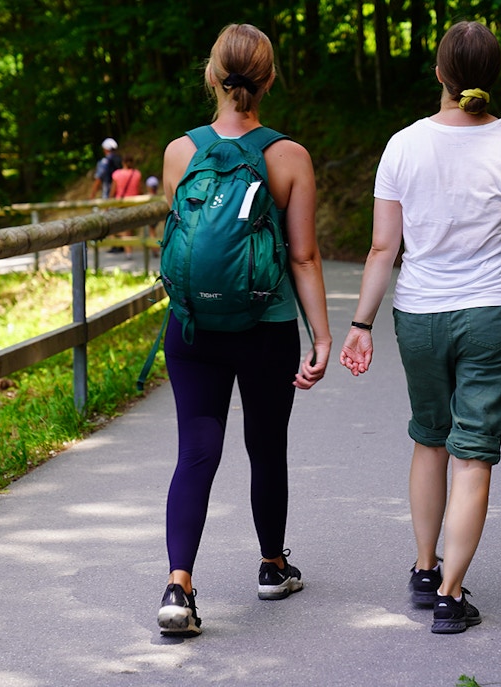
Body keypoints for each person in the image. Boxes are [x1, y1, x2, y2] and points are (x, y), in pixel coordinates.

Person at [338, 20, 501, 635]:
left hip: (421, 315)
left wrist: (362, 323)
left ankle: (425, 567)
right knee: (474, 453)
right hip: (494, 313)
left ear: (439, 73)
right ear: (492, 78)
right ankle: (452, 597)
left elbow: (384, 249)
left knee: (430, 438)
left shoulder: (403, 145)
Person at [155, 22, 332, 638]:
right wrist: (324, 336)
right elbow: (305, 257)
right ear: (269, 79)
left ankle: (179, 587)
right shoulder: (288, 156)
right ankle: (271, 564)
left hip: (194, 328)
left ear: (212, 75)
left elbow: (181, 239)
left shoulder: (181, 152)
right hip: (267, 324)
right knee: (266, 443)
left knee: (196, 452)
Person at [110, 155, 143, 254]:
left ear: (123, 163)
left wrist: (108, 203)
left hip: (121, 203)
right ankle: (128, 249)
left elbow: (113, 191)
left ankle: (127, 250)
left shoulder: (117, 174)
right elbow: (139, 190)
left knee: (121, 226)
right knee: (129, 227)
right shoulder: (137, 174)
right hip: (133, 203)